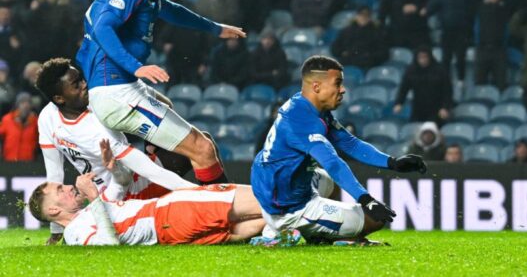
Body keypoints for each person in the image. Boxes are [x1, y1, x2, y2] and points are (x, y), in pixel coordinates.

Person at [76, 0, 246, 186]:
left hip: (122, 87)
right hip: (116, 91)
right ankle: (221, 219)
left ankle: (148, 189)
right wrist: (137, 67)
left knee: (197, 140)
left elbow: (170, 11)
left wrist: (214, 28)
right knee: (202, 149)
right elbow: (103, 29)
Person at [250, 55, 427, 245]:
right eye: (338, 83)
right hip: (287, 207)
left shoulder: (309, 107)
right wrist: (366, 199)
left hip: (281, 186)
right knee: (377, 219)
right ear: (317, 87)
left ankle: (315, 235)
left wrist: (393, 163)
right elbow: (332, 162)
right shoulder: (302, 120)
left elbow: (350, 143)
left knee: (331, 184)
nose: (342, 89)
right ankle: (283, 230)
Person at [35, 58, 196, 245]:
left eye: (81, 78)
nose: (84, 84)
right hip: (122, 194)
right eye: (76, 84)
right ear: (59, 98)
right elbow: (150, 171)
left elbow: (155, 100)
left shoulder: (54, 114)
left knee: (193, 147)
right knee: (197, 150)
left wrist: (152, 130)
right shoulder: (88, 123)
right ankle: (211, 197)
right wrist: (196, 191)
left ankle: (206, 197)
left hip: (123, 182)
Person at [30, 141, 266, 246]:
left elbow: (120, 185)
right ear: (53, 210)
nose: (69, 186)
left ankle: (291, 222)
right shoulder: (75, 232)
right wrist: (93, 197)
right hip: (169, 212)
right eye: (60, 190)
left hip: (168, 233)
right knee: (262, 199)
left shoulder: (89, 215)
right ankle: (301, 210)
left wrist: (115, 167)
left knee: (238, 229)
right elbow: (108, 245)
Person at [393, 46, 454, 124]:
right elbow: (404, 88)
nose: (423, 60)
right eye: (420, 58)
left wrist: (445, 107)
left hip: (436, 108)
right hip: (418, 108)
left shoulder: (440, 70)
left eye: (425, 57)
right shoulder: (411, 71)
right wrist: (399, 103)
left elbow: (447, 91)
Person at [0, 91, 38, 161]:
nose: (25, 105)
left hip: (28, 163)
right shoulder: (7, 119)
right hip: (9, 161)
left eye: (28, 102)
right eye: (22, 102)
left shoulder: (36, 122)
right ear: (17, 105)